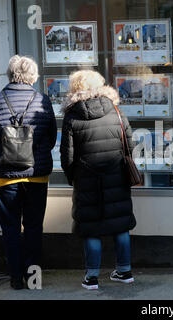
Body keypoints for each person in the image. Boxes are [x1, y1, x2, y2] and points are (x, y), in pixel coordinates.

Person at [0, 55, 57, 290]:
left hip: (5, 176)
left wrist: (3, 155)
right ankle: (34, 278)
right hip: (36, 174)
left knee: (10, 228)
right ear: (32, 75)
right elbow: (52, 137)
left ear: (11, 74)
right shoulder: (41, 99)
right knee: (34, 226)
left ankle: (15, 278)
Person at [60, 70, 136, 290]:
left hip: (87, 178)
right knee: (120, 223)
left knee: (90, 226)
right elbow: (129, 145)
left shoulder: (72, 115)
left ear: (76, 88)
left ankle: (91, 277)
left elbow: (67, 155)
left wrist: (74, 176)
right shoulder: (115, 110)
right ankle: (124, 271)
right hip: (116, 175)